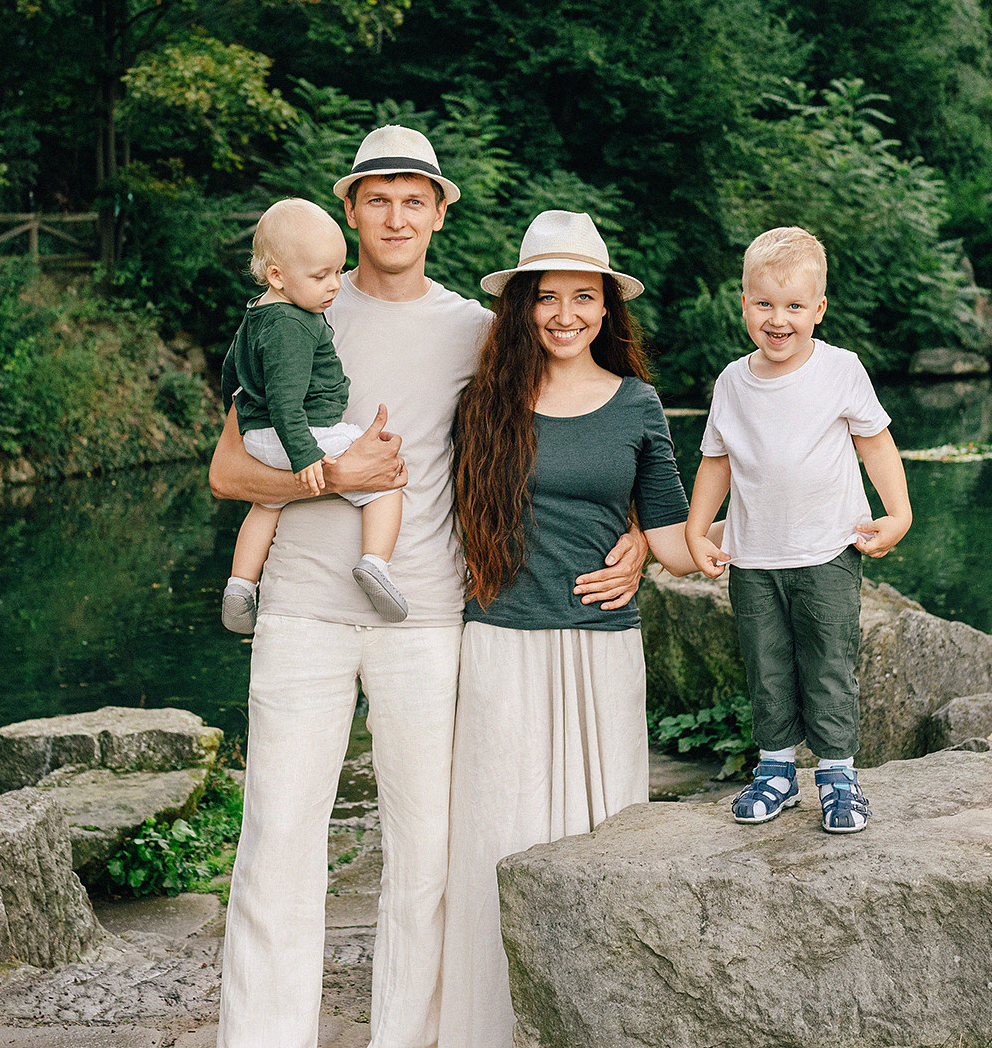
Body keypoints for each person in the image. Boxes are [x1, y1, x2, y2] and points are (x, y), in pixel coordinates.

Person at [206, 130, 650, 1048]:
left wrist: (647, 533)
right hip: (299, 609)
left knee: (424, 859)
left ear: (442, 211)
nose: (396, 215)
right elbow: (227, 472)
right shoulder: (289, 313)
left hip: (428, 618)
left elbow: (578, 429)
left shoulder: (476, 331)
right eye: (378, 198)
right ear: (351, 211)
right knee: (279, 842)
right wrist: (332, 476)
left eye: (415, 199)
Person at [438, 210, 701, 1048]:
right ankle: (488, 1028)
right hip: (501, 640)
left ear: (606, 308)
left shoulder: (638, 404)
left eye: (582, 296)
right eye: (546, 297)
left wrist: (649, 556)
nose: (564, 314)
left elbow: (673, 536)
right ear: (520, 306)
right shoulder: (481, 402)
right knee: (495, 837)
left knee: (603, 835)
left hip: (600, 646)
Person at [685, 225, 913, 834]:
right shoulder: (733, 382)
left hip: (827, 551)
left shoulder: (840, 370)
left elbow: (876, 442)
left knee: (828, 662)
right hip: (754, 557)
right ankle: (777, 771)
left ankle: (838, 776)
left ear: (819, 309)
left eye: (793, 306)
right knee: (767, 665)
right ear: (743, 305)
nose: (778, 318)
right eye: (764, 303)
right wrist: (697, 528)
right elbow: (716, 460)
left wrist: (899, 513)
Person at [217, 198, 405, 634]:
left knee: (267, 504)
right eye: (320, 276)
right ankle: (375, 564)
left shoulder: (256, 313)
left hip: (258, 434)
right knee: (385, 478)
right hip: (300, 432)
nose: (334, 286)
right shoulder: (293, 325)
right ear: (277, 276)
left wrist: (240, 410)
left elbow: (231, 370)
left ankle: (240, 586)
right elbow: (285, 402)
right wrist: (307, 458)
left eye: (338, 271)